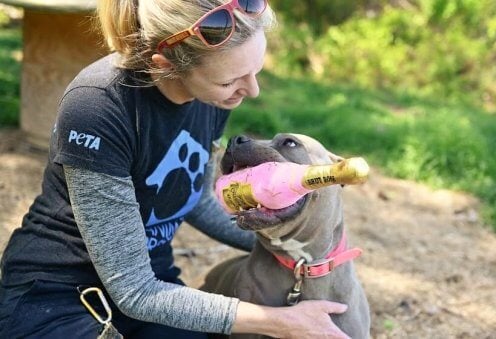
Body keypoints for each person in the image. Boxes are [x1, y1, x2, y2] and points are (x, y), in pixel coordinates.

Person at [0, 0, 350, 338]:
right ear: (166, 65)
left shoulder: (211, 97)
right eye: (231, 81)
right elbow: (134, 291)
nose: (252, 90)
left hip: (156, 282)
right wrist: (279, 321)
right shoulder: (98, 106)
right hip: (59, 292)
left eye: (254, 71)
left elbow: (191, 194)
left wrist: (298, 244)